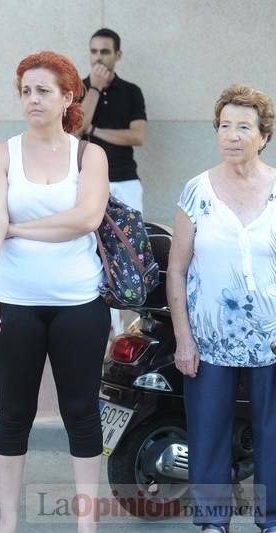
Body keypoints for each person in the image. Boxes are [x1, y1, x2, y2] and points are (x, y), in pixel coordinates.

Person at [0, 51, 110, 533]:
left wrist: (19, 229)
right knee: (13, 411)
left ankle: (86, 525)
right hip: (12, 302)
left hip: (79, 303)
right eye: (26, 90)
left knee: (80, 411)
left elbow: (87, 219)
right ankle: (8, 523)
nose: (32, 99)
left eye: (43, 90)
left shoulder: (89, 154)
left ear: (67, 97)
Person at [168, 84, 276, 533]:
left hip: (272, 335)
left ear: (264, 136)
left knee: (274, 434)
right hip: (209, 337)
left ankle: (270, 519)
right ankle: (213, 523)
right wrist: (184, 339)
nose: (231, 135)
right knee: (209, 434)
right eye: (225, 126)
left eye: (243, 127)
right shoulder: (197, 191)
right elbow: (176, 271)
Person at [78, 28, 147, 213]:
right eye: (94, 51)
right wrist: (95, 87)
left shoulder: (131, 91)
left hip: (125, 178)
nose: (98, 57)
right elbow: (78, 128)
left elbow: (137, 136)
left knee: (131, 239)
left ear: (118, 55)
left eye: (105, 52)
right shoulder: (77, 88)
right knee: (89, 239)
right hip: (87, 177)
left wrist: (93, 130)